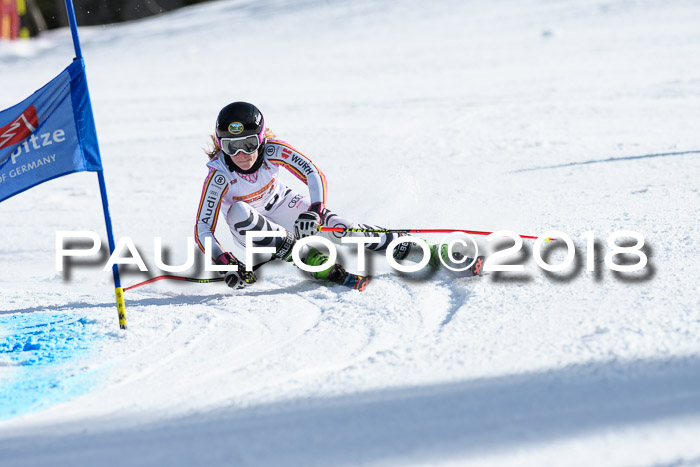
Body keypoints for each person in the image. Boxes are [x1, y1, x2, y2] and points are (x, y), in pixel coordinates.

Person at [194, 102, 480, 291]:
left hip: (282, 205)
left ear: (261, 139)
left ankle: (428, 253)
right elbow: (203, 228)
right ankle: (311, 260)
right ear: (221, 146)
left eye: (249, 144)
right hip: (249, 229)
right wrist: (224, 260)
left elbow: (313, 173)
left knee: (343, 230)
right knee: (239, 213)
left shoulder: (274, 150)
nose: (241, 154)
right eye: (231, 147)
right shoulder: (219, 175)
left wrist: (316, 211)